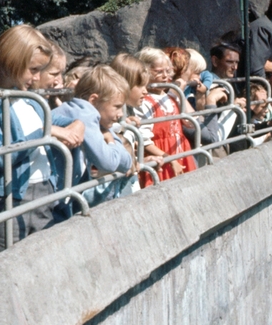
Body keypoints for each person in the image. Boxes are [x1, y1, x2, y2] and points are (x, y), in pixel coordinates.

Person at [0, 25, 84, 253]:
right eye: (33, 69)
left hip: (42, 192)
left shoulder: (29, 100)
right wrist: (46, 134)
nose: (37, 77)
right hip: (6, 199)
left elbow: (54, 123)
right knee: (6, 263)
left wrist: (79, 123)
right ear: (13, 61)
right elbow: (2, 157)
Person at [51, 65, 135, 212]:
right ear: (93, 100)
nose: (121, 114)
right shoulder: (85, 114)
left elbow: (126, 161)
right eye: (117, 106)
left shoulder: (80, 110)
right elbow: (109, 163)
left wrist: (111, 139)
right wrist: (110, 139)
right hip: (54, 198)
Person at [135, 47, 197, 183]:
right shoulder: (145, 102)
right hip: (162, 158)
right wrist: (169, 159)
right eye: (158, 72)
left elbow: (192, 122)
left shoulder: (172, 96)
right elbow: (144, 141)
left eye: (167, 71)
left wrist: (179, 93)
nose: (165, 76)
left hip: (180, 151)